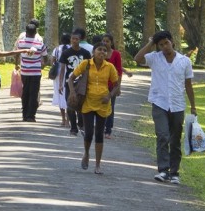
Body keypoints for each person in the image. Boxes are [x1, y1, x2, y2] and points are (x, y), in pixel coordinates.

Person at [134, 30, 197, 185]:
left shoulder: (184, 61)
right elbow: (137, 59)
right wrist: (150, 43)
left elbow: (188, 85)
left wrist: (193, 107)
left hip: (177, 105)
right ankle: (163, 170)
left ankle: (174, 172)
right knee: (162, 135)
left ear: (172, 42)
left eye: (166, 43)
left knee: (175, 139)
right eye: (161, 45)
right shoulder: (154, 58)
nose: (164, 47)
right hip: (159, 102)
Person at [71, 41, 119, 174]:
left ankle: (98, 165)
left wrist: (109, 96)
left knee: (99, 134)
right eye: (99, 49)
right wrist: (73, 93)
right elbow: (71, 78)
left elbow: (116, 85)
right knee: (89, 133)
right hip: (87, 102)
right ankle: (86, 153)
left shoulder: (110, 67)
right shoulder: (86, 64)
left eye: (105, 50)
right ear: (94, 52)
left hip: (103, 104)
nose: (102, 52)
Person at [58, 28, 91, 135]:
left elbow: (88, 69)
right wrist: (60, 84)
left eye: (76, 39)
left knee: (81, 105)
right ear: (70, 40)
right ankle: (73, 127)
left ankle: (80, 123)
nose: (74, 41)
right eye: (73, 39)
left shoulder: (85, 53)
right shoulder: (66, 53)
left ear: (80, 40)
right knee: (70, 105)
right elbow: (62, 69)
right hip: (69, 82)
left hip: (82, 83)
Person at [100, 33, 133, 138]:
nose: (105, 43)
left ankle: (108, 130)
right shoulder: (99, 53)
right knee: (100, 106)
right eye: (103, 41)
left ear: (111, 42)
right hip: (100, 84)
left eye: (107, 41)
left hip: (112, 85)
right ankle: (100, 127)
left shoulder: (116, 54)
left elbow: (119, 70)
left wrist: (118, 86)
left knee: (110, 106)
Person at [14, 22, 47, 121]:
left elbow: (16, 54)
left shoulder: (21, 42)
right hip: (36, 72)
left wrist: (16, 64)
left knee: (25, 92)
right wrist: (43, 65)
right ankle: (31, 115)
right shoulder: (39, 42)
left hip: (24, 71)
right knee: (34, 93)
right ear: (35, 32)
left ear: (26, 32)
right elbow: (45, 56)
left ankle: (24, 114)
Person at [50, 33, 72, 127]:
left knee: (60, 94)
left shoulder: (57, 49)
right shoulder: (71, 49)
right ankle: (68, 119)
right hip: (70, 71)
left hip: (59, 72)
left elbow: (52, 61)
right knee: (69, 94)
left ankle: (63, 119)